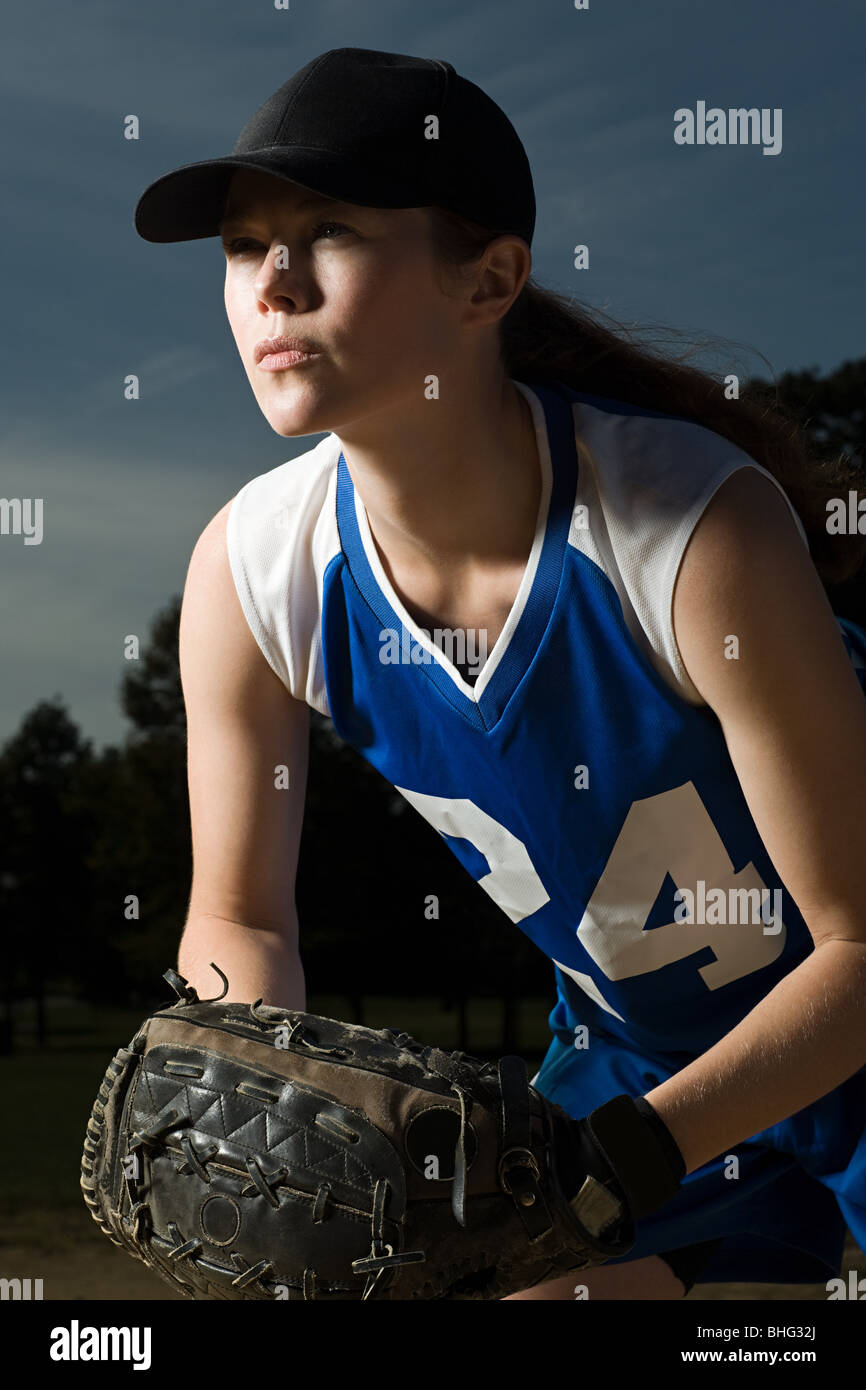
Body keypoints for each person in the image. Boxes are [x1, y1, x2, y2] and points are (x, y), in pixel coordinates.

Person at [134, 47, 866, 1301]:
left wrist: (630, 1155)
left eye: (328, 232)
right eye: (244, 246)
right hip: (641, 1073)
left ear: (490, 280)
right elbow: (243, 915)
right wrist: (253, 1089)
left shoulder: (689, 532)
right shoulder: (253, 570)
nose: (272, 281)